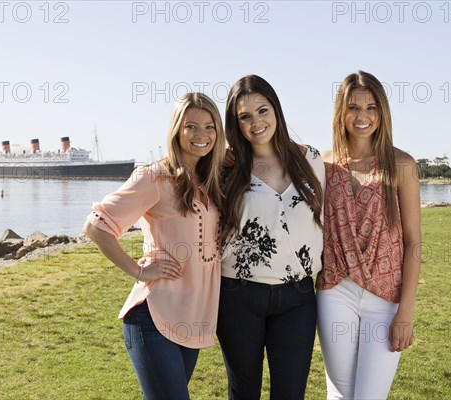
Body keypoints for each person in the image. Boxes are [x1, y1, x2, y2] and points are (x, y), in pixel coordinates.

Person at [82, 92, 226, 400]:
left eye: (210, 126)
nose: (201, 135)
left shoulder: (209, 181)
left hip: (191, 319)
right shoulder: (154, 177)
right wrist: (139, 271)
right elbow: (96, 226)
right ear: (176, 129)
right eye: (191, 126)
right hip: (152, 318)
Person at [217, 75, 325, 400]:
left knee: (291, 394)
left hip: (298, 298)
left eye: (262, 110)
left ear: (276, 110)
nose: (256, 122)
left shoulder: (311, 160)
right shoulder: (226, 166)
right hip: (238, 296)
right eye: (245, 116)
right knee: (243, 393)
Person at [316, 71, 422, 400]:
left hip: (386, 299)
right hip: (335, 292)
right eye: (353, 107)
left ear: (382, 113)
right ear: (340, 112)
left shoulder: (401, 164)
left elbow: (413, 242)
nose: (362, 116)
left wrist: (405, 313)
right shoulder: (322, 164)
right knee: (339, 394)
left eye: (371, 107)